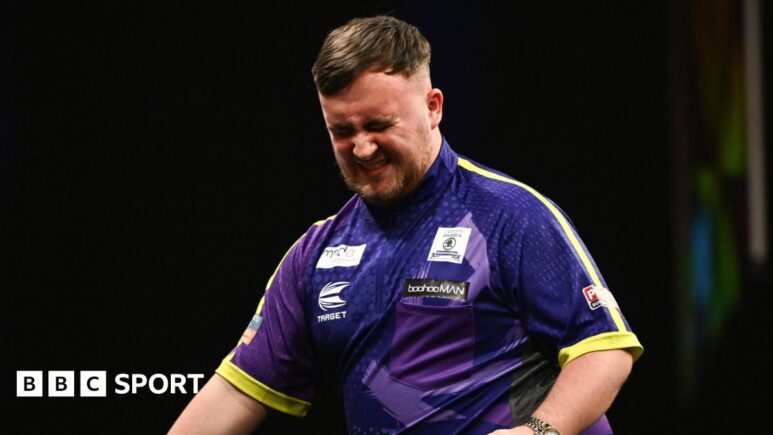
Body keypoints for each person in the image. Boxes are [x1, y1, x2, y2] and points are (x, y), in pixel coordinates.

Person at [169, 15, 642, 435]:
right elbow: (235, 393)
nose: (362, 148)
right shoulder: (314, 256)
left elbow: (603, 351)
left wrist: (539, 432)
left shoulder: (511, 215)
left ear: (433, 107)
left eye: (378, 125)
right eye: (342, 131)